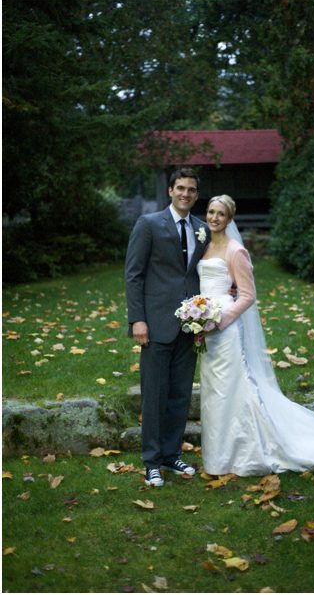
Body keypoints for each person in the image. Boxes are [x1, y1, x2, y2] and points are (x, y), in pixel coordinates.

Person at [196, 195, 314, 476]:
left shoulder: (236, 251)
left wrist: (220, 321)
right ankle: (218, 456)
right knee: (214, 393)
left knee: (233, 391)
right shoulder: (204, 246)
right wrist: (196, 319)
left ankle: (246, 451)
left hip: (226, 330)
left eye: (221, 214)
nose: (214, 218)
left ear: (229, 219)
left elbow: (247, 296)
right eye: (210, 212)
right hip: (204, 330)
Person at [125, 167, 208, 487]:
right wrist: (137, 319)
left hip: (190, 328)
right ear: (170, 191)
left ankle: (172, 454)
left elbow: (200, 274)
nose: (186, 193)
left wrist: (206, 315)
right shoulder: (148, 225)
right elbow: (134, 274)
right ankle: (151, 461)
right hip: (156, 324)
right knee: (155, 395)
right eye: (181, 188)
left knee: (179, 394)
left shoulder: (202, 229)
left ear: (196, 195)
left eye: (191, 189)